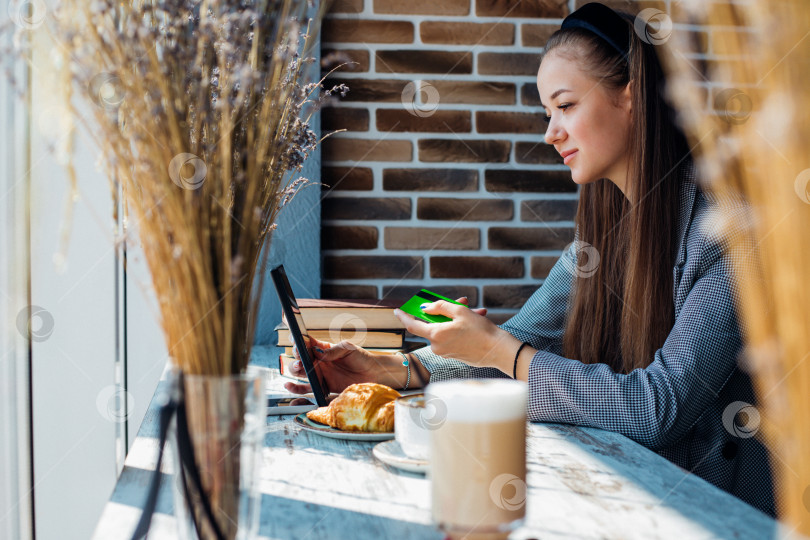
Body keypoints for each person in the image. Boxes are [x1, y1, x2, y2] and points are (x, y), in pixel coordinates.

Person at [285, 2, 775, 518]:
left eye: (565, 106)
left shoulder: (728, 231)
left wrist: (500, 349)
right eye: (548, 113)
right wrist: (391, 369)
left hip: (725, 517)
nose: (550, 132)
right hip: (635, 493)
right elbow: (524, 337)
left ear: (628, 95)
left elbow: (659, 408)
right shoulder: (605, 234)